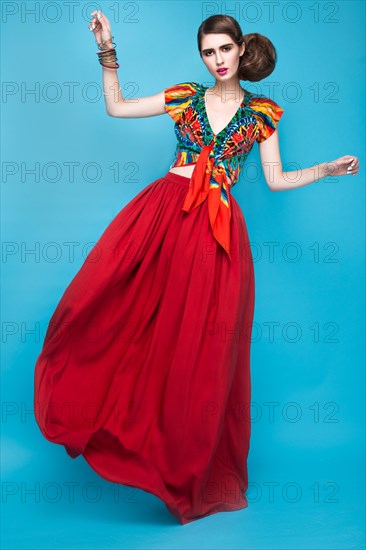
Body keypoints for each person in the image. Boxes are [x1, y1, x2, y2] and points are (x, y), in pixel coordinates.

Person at [33, 12, 360, 525]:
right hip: (165, 215)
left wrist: (326, 169)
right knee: (113, 308)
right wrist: (107, 49)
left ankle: (185, 468)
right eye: (208, 52)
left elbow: (275, 180)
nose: (217, 60)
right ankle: (99, 416)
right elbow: (117, 108)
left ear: (239, 48)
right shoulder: (185, 96)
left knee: (199, 348)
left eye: (224, 49)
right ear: (202, 57)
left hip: (216, 231)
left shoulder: (263, 114)